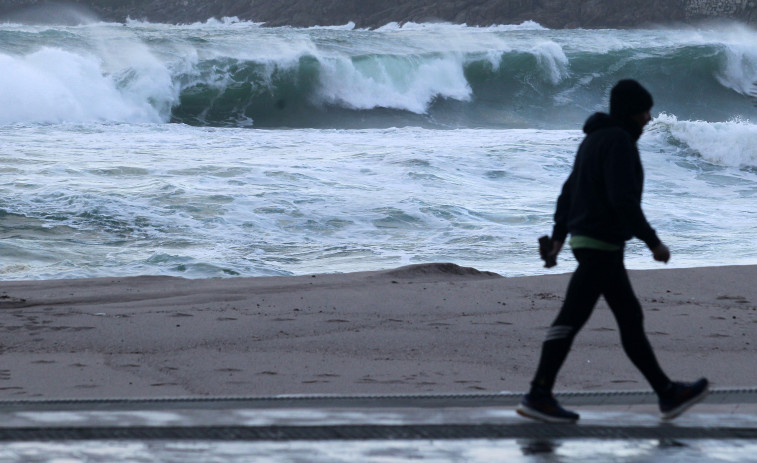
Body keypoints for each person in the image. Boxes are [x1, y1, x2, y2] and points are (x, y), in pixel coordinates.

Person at [517, 79, 708, 423]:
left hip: (591, 242)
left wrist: (558, 240)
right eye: (645, 111)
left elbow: (567, 191)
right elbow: (622, 200)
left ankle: (667, 394)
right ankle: (538, 394)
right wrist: (653, 242)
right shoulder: (619, 141)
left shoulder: (593, 139)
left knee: (629, 319)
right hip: (599, 243)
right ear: (631, 112)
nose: (649, 119)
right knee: (572, 320)